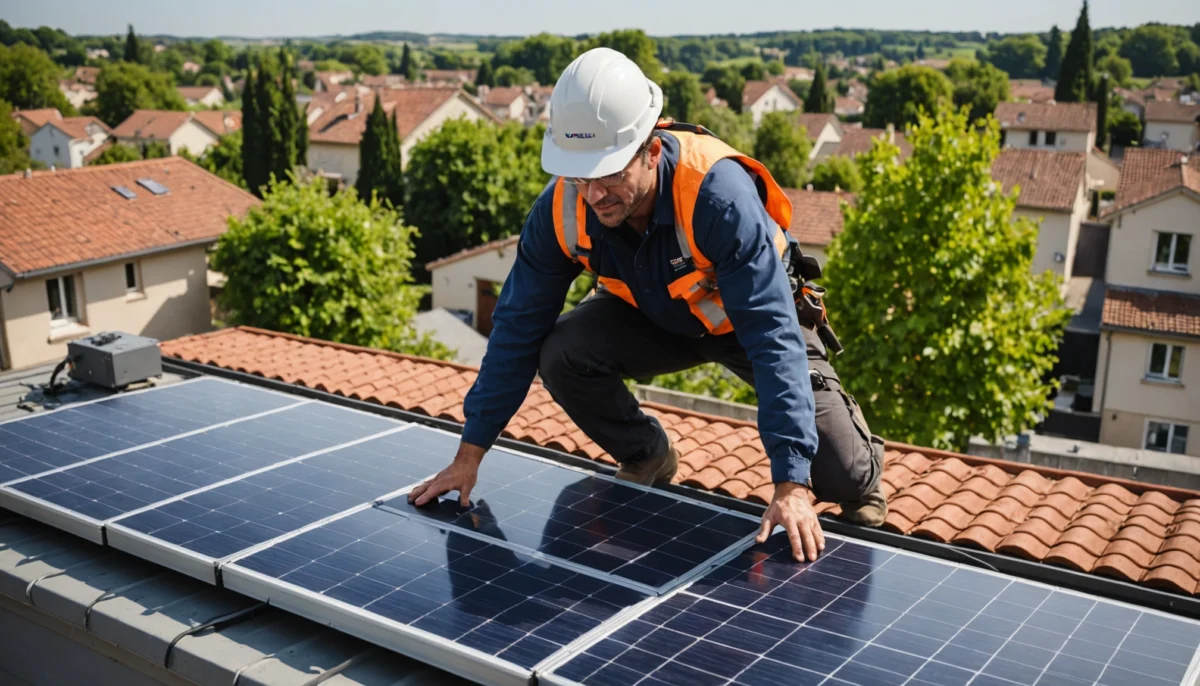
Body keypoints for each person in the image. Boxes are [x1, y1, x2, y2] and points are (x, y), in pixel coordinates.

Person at [410, 47, 886, 562]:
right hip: (656, 320)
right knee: (561, 350)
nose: (594, 193)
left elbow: (772, 339)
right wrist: (468, 454)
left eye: (610, 172)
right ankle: (647, 453)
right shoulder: (561, 210)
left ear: (653, 150)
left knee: (841, 475)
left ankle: (859, 461)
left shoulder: (716, 197)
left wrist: (791, 484)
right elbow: (515, 329)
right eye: (580, 175)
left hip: (750, 324)